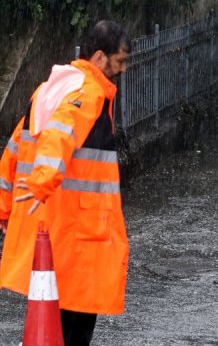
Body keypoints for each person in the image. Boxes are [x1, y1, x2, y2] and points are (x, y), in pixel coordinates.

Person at [0, 20, 131, 346]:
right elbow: (60, 133)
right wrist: (43, 181)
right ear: (100, 57)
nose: (124, 69)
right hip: (78, 237)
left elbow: (14, 150)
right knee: (73, 328)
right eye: (121, 61)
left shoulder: (49, 89)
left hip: (52, 231)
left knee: (50, 320)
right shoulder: (86, 92)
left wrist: (4, 210)